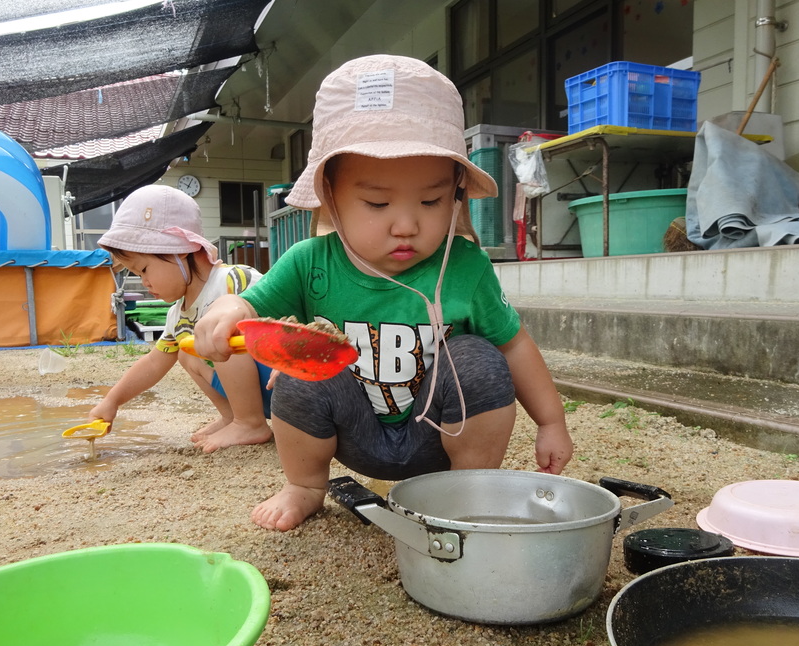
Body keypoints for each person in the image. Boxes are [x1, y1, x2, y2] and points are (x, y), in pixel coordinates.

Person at [194, 54, 574, 530]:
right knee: (298, 372)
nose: (406, 224)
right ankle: (305, 485)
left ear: (456, 192)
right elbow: (249, 302)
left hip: (437, 437)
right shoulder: (311, 261)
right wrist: (226, 308)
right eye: (377, 202)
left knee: (479, 357)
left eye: (431, 200)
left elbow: (515, 345)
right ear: (331, 194)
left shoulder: (465, 266)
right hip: (355, 434)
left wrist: (551, 422)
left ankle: (468, 488)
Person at [89, 184, 273, 452]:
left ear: (181, 249)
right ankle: (234, 417)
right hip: (260, 393)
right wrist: (112, 401)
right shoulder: (179, 314)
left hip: (285, 384)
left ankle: (250, 422)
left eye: (144, 269)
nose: (145, 282)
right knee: (187, 352)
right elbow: (154, 363)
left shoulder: (235, 280)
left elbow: (288, 317)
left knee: (222, 334)